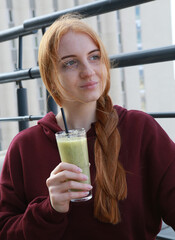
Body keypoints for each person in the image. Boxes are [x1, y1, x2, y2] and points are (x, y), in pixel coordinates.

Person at [0, 13, 175, 240]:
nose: (88, 71)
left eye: (94, 57)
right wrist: (49, 209)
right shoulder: (24, 147)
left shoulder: (141, 129)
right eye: (71, 62)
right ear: (51, 78)